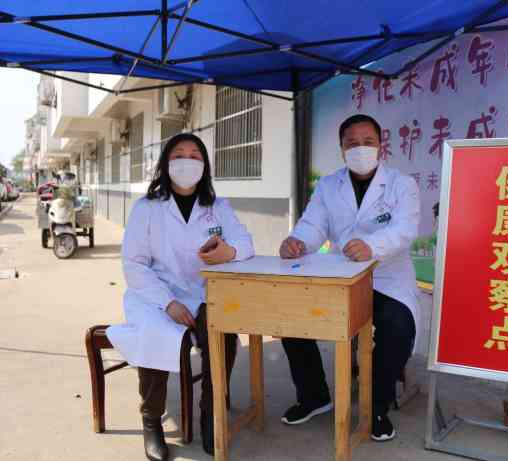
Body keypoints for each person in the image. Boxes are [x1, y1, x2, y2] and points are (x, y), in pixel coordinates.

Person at [106, 133, 254, 460]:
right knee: (155, 332)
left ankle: (210, 412)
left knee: (223, 330)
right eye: (179, 155)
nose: (187, 162)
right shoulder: (147, 208)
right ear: (166, 164)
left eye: (195, 156)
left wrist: (229, 251)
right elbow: (134, 264)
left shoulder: (218, 207)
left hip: (203, 291)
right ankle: (151, 421)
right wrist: (168, 302)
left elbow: (246, 244)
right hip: (155, 293)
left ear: (205, 165)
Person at [278, 114, 420, 442]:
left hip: (386, 277)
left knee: (398, 328)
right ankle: (314, 396)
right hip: (340, 273)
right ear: (341, 148)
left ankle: (377, 407)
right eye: (352, 143)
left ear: (381, 145)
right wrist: (298, 242)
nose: (360, 149)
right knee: (290, 318)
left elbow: (405, 229)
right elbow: (313, 224)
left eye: (368, 142)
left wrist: (373, 247)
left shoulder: (401, 184)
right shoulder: (329, 185)